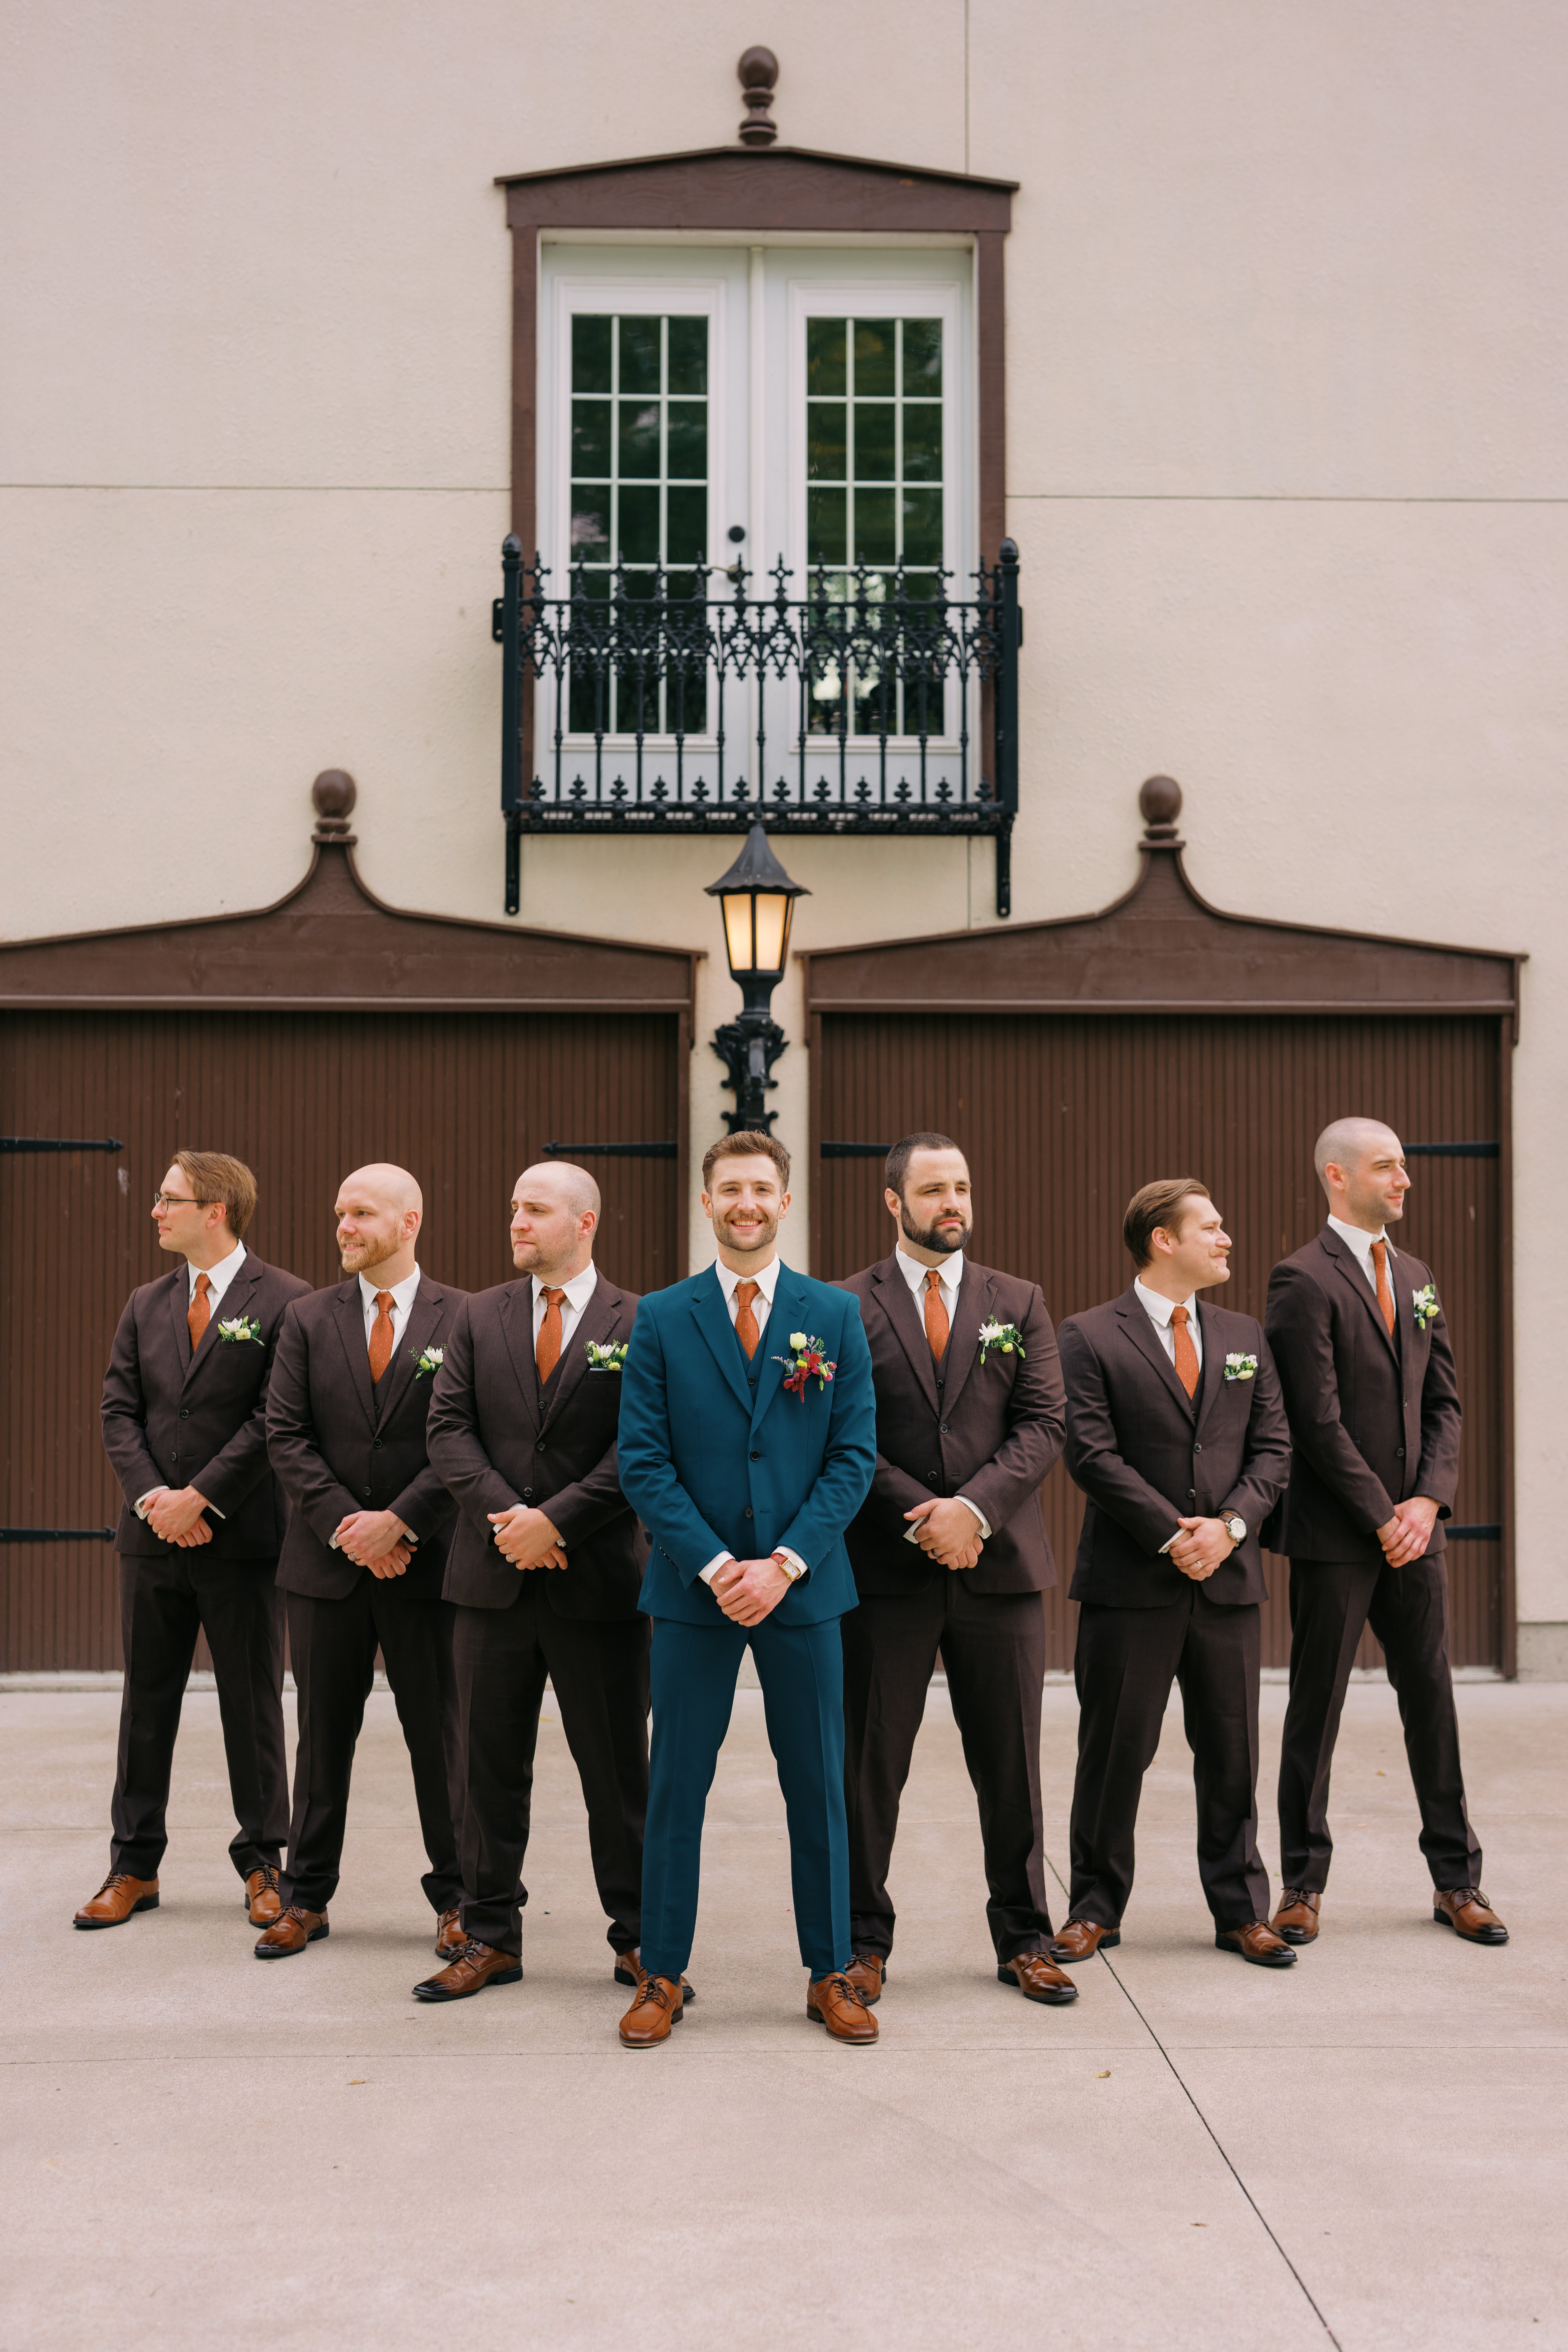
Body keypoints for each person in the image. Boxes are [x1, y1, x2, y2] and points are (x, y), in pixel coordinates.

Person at [613, 1131, 879, 2046]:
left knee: (818, 1787)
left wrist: (785, 1564)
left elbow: (853, 1456)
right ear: (706, 1201)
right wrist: (721, 1566)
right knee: (676, 1785)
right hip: (695, 1593)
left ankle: (829, 1971)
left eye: (762, 1189)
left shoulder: (833, 1315)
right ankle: (663, 1972)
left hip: (805, 1591)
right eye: (730, 1189)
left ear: (786, 1201)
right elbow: (642, 1461)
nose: (746, 1205)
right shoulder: (660, 1316)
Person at [837, 1132, 1075, 2008]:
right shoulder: (841, 1307)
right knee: (868, 1767)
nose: (953, 1204)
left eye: (963, 1188)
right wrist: (924, 1517)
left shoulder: (1017, 1300)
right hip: (882, 1575)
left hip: (997, 1567)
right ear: (892, 1201)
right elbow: (840, 1435)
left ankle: (1024, 1937)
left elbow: (1044, 1422)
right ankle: (859, 1945)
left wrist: (970, 1512)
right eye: (933, 1188)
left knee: (1011, 1763)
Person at [1264, 1118, 1506, 1946]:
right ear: (1336, 1176)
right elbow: (1315, 1419)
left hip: (1414, 1535)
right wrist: (1381, 1513)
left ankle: (1456, 1880)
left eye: (1404, 1166)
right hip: (1338, 1537)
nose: (1403, 1180)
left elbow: (1444, 1402)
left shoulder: (1416, 1275)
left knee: (1431, 1703)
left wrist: (1428, 1504)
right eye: (1386, 1167)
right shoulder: (1300, 1279)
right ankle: (1300, 1883)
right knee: (1316, 1706)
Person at [415, 1161, 652, 2002]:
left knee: (619, 1774)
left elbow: (644, 1444)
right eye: (514, 1206)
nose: (516, 1221)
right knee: (484, 1771)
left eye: (535, 1209)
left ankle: (638, 1941)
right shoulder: (476, 1317)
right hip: (491, 1583)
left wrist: (560, 1521)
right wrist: (509, 1522)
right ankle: (489, 1936)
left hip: (598, 1586)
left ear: (584, 1222)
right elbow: (446, 1430)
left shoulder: (641, 1321)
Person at [1054, 1179, 1295, 1968]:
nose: (1226, 1239)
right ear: (1163, 1239)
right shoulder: (1089, 1335)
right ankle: (1093, 1908)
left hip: (1226, 1582)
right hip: (1131, 1584)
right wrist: (1171, 1534)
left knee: (1230, 1753)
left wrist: (1227, 1529)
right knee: (1114, 1751)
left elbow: (1273, 1449)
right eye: (1211, 1227)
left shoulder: (1243, 1335)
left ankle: (1239, 1911)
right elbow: (1090, 1454)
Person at [81, 1151, 311, 1932]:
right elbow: (120, 1408)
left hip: (240, 1539)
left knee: (252, 1705)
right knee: (146, 1701)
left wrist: (202, 1497)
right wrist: (154, 1498)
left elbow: (273, 1418)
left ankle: (263, 1863)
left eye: (169, 1199)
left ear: (216, 1210)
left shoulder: (285, 1302)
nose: (155, 1210)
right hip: (151, 1541)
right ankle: (133, 1865)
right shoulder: (145, 1303)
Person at [257, 1164, 466, 1960]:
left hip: (427, 1567)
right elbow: (286, 1434)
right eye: (339, 1213)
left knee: (440, 1737)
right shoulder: (307, 1320)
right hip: (326, 1566)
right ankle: (305, 1896)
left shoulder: (467, 1317)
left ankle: (458, 1897)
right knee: (322, 1735)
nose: (343, 1227)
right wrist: (350, 1525)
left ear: (409, 1221)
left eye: (361, 1214)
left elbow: (463, 1437)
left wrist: (401, 1524)